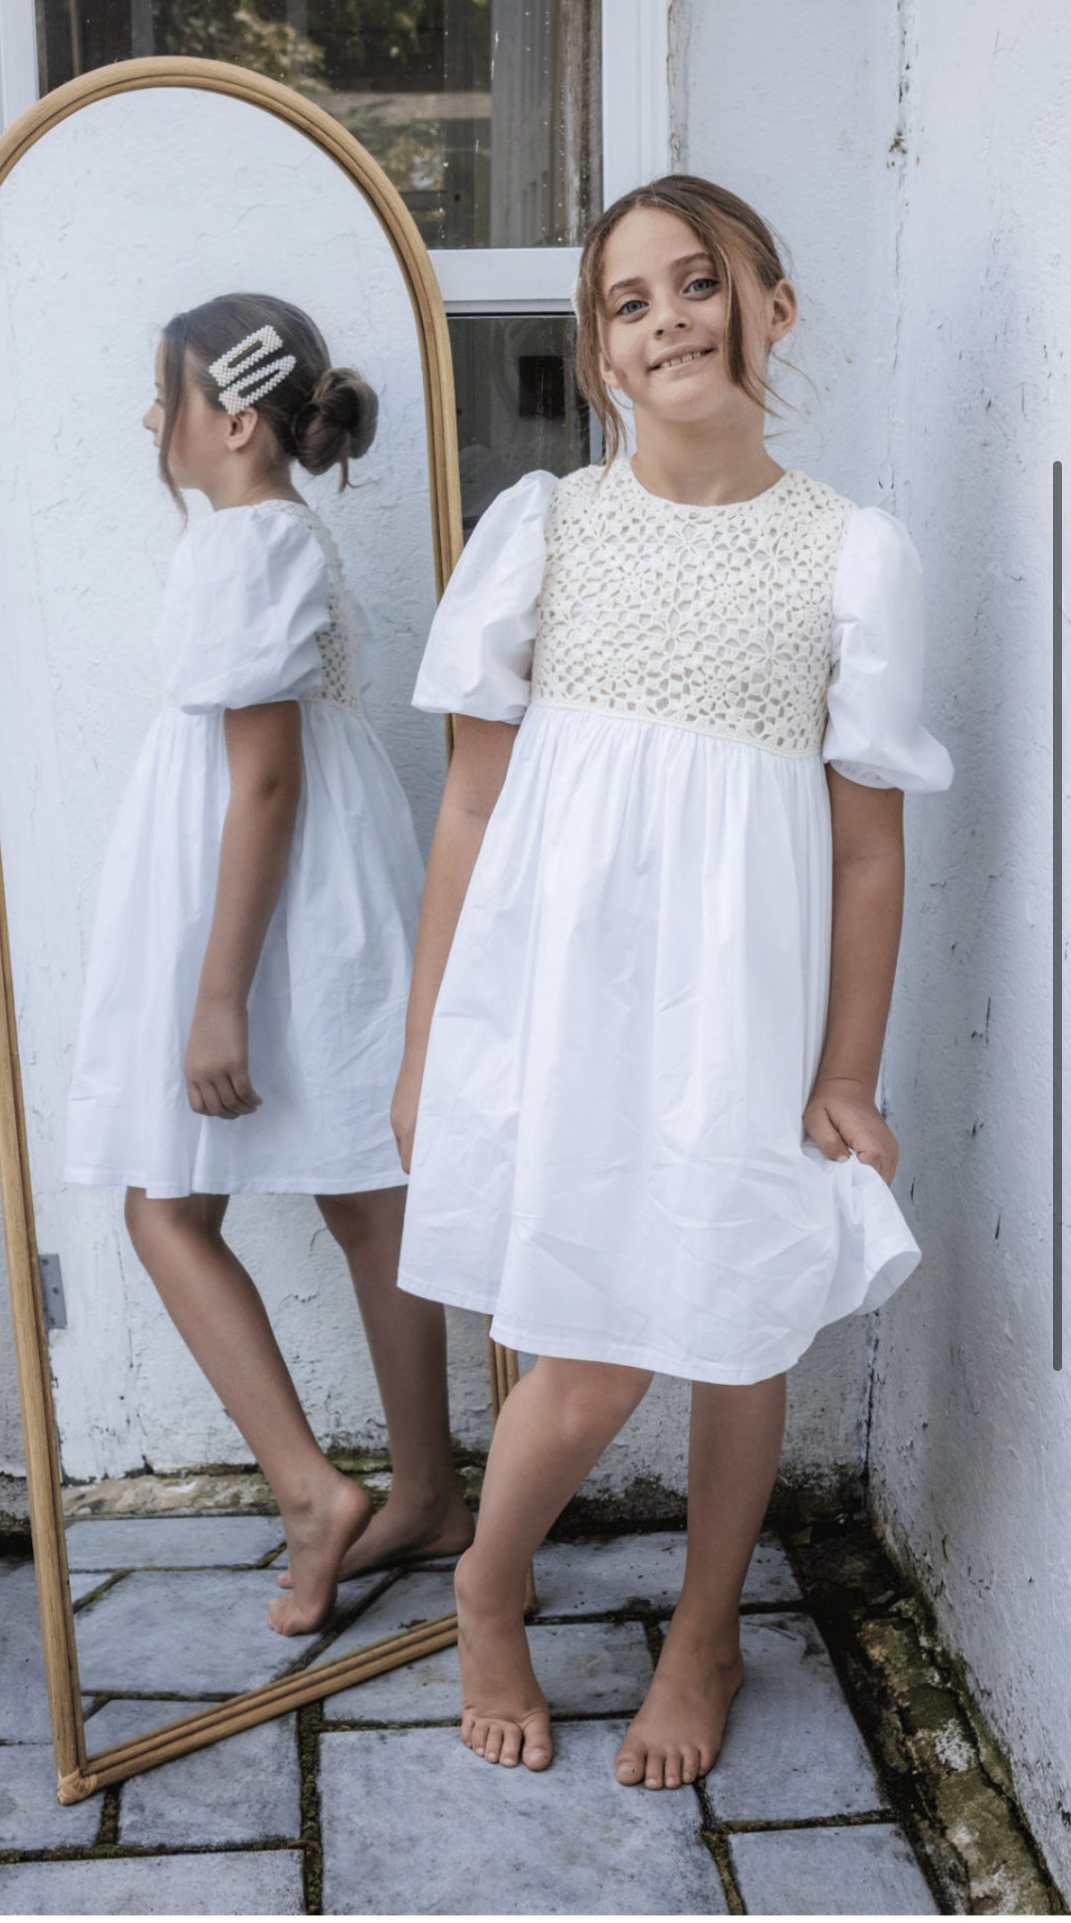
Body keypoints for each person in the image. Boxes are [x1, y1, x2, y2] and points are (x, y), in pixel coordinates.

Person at [390, 178, 954, 1783]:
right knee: (589, 1351)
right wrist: (430, 1041)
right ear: (599, 357)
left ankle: (705, 1629)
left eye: (696, 283)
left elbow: (864, 851)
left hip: (745, 1014)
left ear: (772, 304)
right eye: (626, 304)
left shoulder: (849, 555)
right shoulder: (546, 529)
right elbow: (473, 805)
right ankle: (488, 1589)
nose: (666, 320)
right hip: (566, 1010)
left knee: (735, 1329)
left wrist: (845, 1069)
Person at [64, 292, 475, 1635]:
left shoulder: (241, 545)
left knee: (165, 1204)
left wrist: (218, 991)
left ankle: (317, 1493)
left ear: (232, 418)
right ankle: (423, 1487)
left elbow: (259, 783)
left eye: (164, 395)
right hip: (325, 883)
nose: (149, 420)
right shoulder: (278, 532)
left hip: (263, 890)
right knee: (367, 1194)